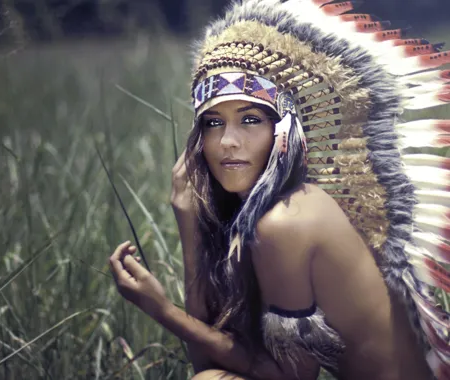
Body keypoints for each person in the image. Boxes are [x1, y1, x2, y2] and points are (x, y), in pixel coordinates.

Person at [108, 0, 450, 379]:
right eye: (213, 123)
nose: (228, 142)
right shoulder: (257, 218)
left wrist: (161, 310)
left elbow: (290, 377)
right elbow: (208, 360)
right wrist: (189, 225)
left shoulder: (286, 222)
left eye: (250, 120)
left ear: (283, 133)